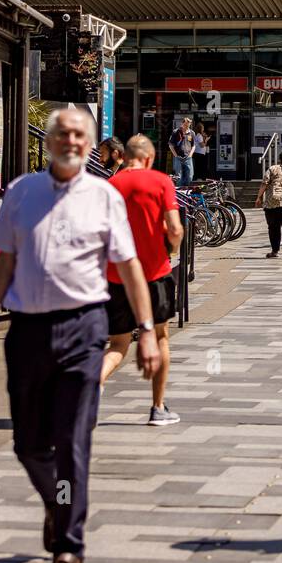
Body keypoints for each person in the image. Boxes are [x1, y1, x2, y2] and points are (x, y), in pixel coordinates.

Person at [0, 109, 160, 563]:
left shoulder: (103, 197)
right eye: (63, 133)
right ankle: (58, 503)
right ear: (49, 141)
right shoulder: (21, 192)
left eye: (80, 135)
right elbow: (5, 263)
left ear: (90, 144)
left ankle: (69, 548)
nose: (70, 141)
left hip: (83, 329)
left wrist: (147, 330)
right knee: (28, 444)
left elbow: (130, 265)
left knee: (73, 441)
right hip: (27, 331)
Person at [101, 135, 183, 425]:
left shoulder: (111, 185)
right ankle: (158, 407)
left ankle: (93, 383)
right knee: (160, 337)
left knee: (117, 344)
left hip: (117, 274)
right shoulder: (161, 181)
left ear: (123, 157)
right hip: (155, 273)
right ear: (149, 158)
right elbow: (174, 228)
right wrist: (172, 248)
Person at [168, 117, 195, 186]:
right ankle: (179, 193)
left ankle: (186, 191)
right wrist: (176, 156)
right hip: (178, 157)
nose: (186, 127)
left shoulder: (192, 133)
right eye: (185, 125)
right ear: (182, 124)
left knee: (189, 176)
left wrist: (190, 155)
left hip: (188, 157)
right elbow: (170, 145)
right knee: (178, 177)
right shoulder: (176, 132)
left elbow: (193, 146)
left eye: (188, 125)